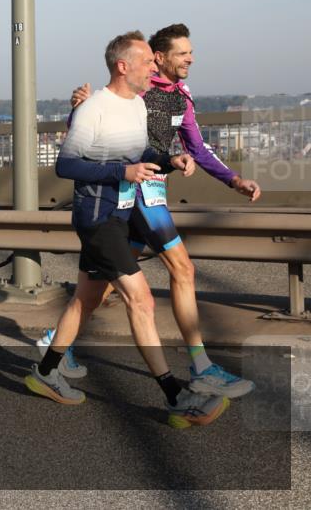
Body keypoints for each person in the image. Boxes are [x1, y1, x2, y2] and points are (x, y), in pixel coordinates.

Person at [26, 31, 229, 429]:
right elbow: (65, 165)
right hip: (97, 220)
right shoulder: (94, 109)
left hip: (119, 216)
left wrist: (172, 159)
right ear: (123, 66)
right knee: (142, 301)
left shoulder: (137, 106)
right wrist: (123, 171)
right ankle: (176, 395)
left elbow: (141, 154)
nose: (153, 66)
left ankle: (45, 372)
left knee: (85, 301)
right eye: (146, 62)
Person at [61, 23, 257, 397]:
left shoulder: (179, 98)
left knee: (99, 286)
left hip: (146, 193)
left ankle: (58, 347)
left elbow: (198, 149)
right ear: (160, 57)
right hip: (131, 193)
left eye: (190, 52)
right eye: (182, 53)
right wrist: (78, 110)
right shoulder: (138, 90)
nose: (191, 59)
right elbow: (88, 135)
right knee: (182, 268)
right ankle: (200, 367)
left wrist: (234, 180)